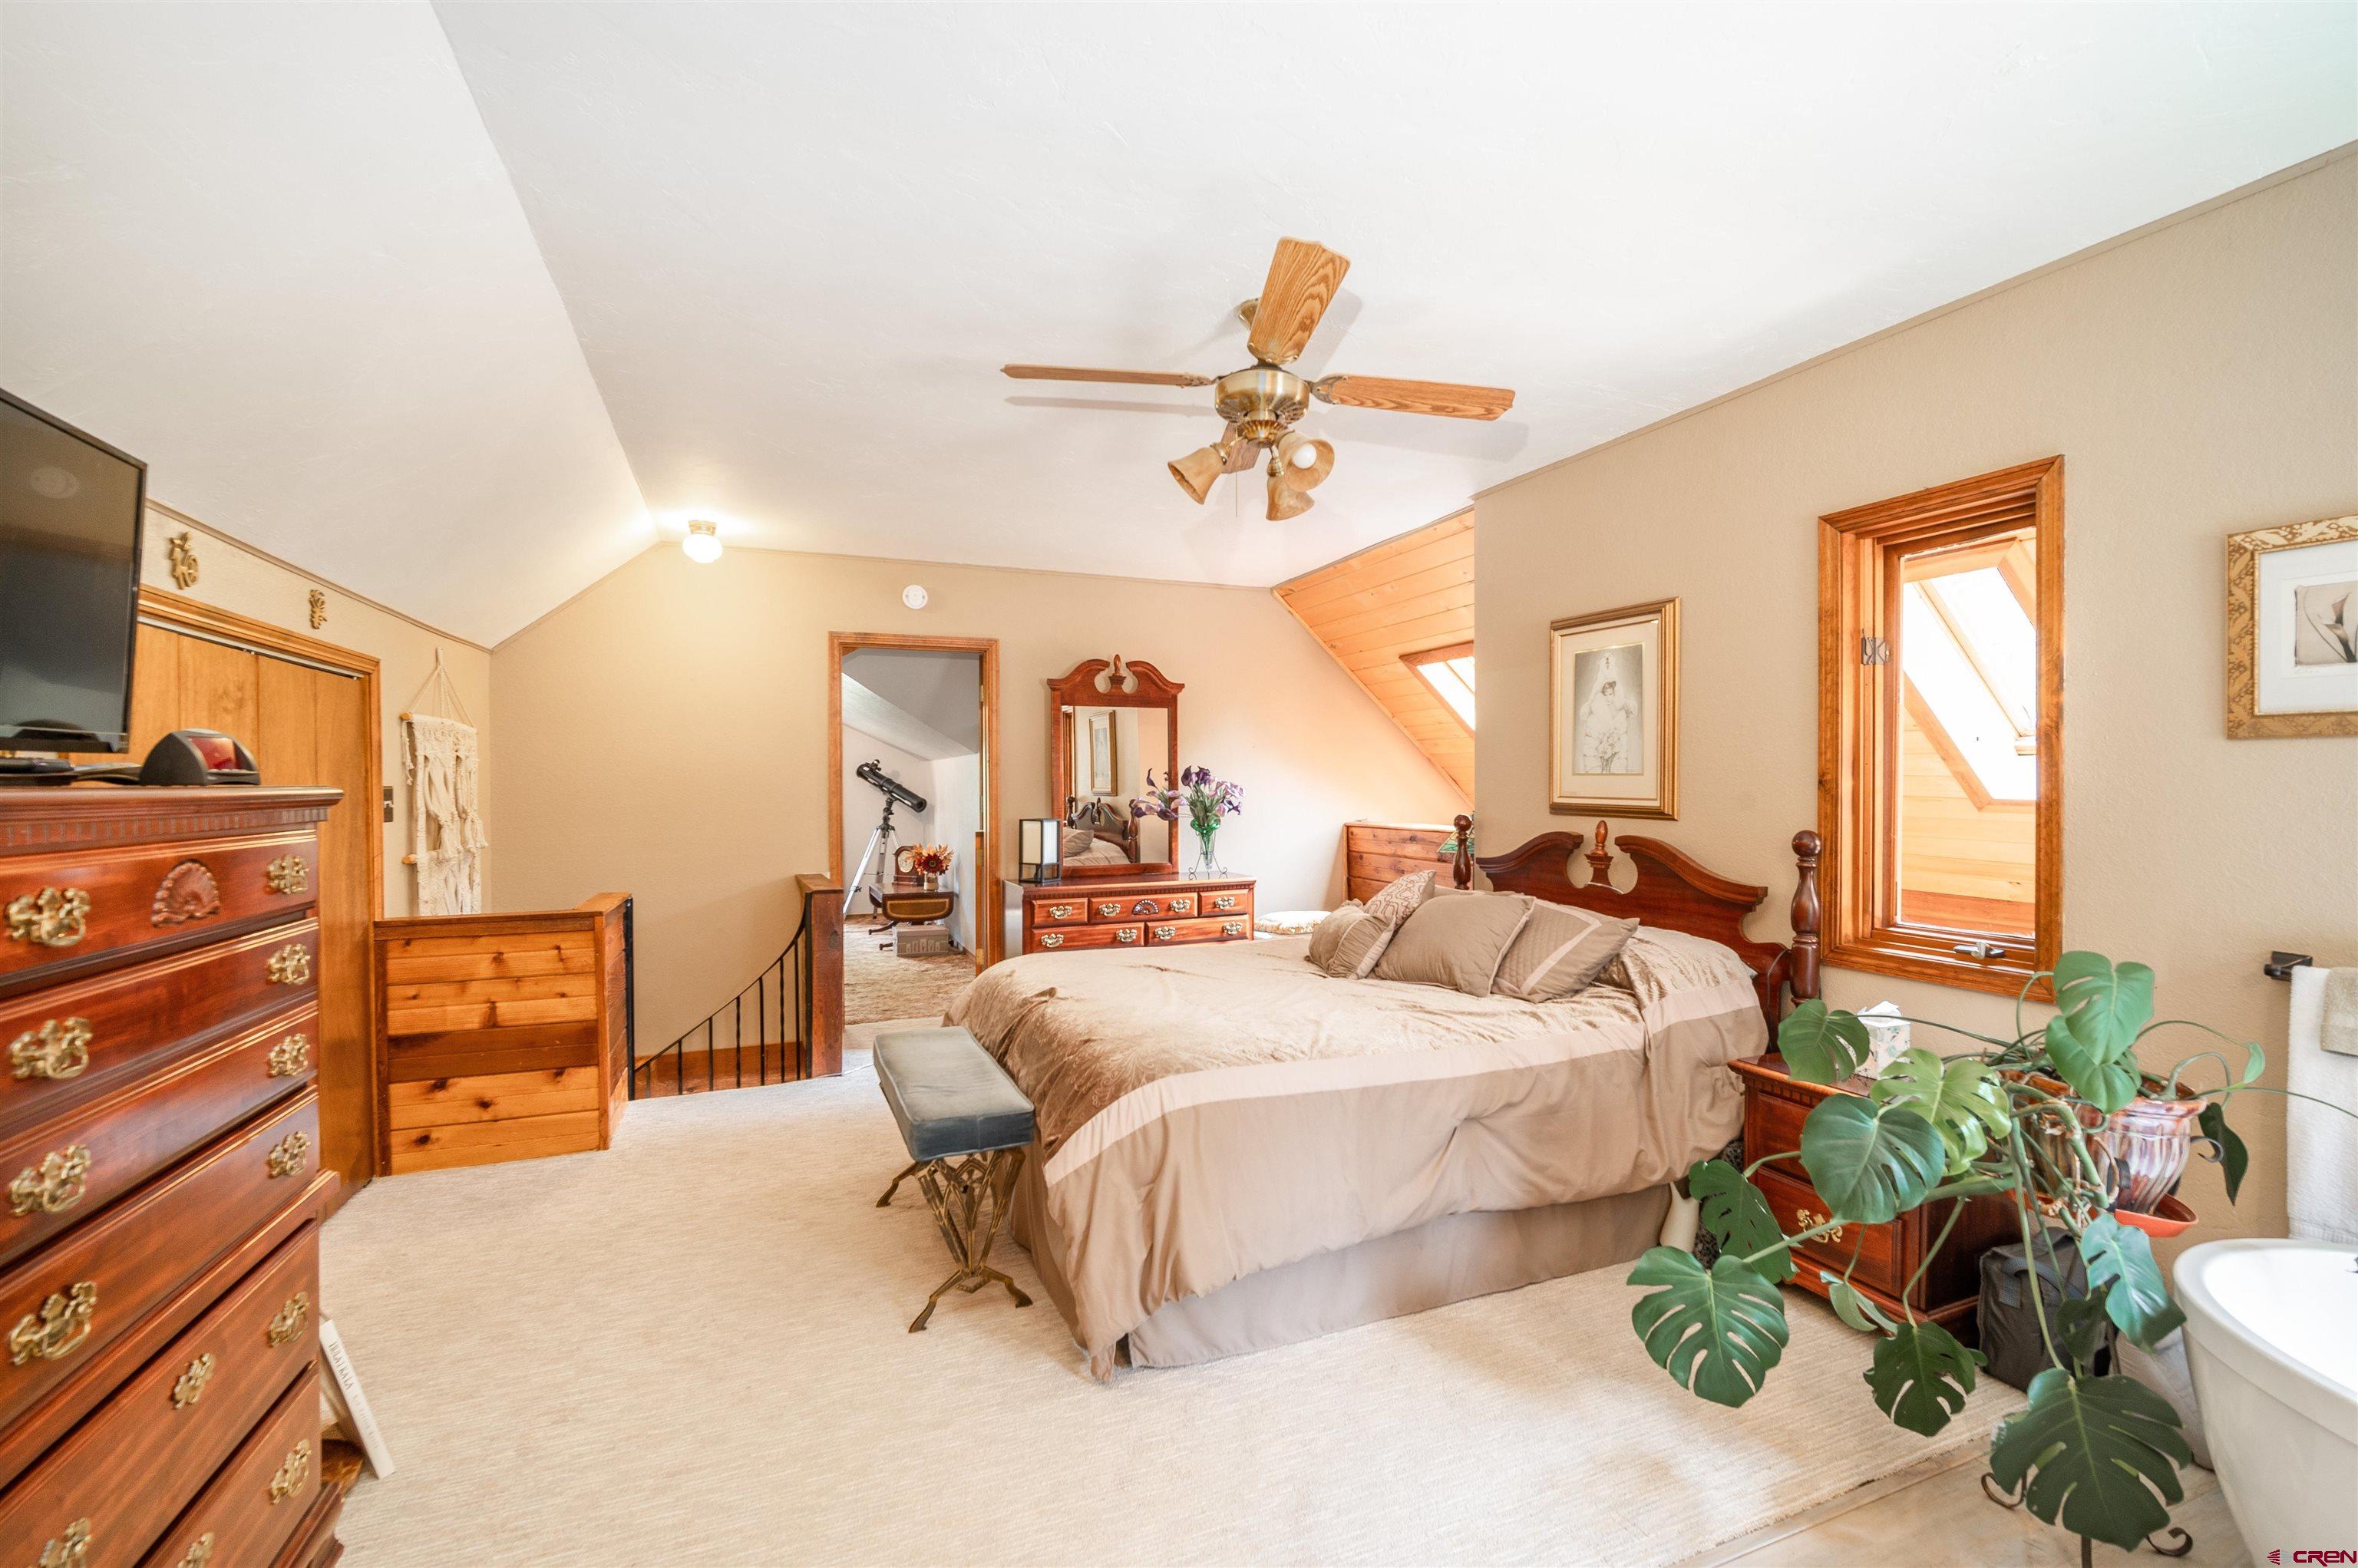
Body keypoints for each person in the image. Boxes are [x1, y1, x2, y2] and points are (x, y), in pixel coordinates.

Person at [1577, 651, 1641, 774]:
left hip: (1616, 734)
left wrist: (1629, 706)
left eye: (1610, 694)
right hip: (1599, 732)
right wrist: (1587, 708)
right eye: (1605, 694)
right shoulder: (1596, 700)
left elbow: (1622, 701)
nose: (1608, 697)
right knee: (1594, 758)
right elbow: (1591, 701)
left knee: (1619, 757)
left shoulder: (1618, 698)